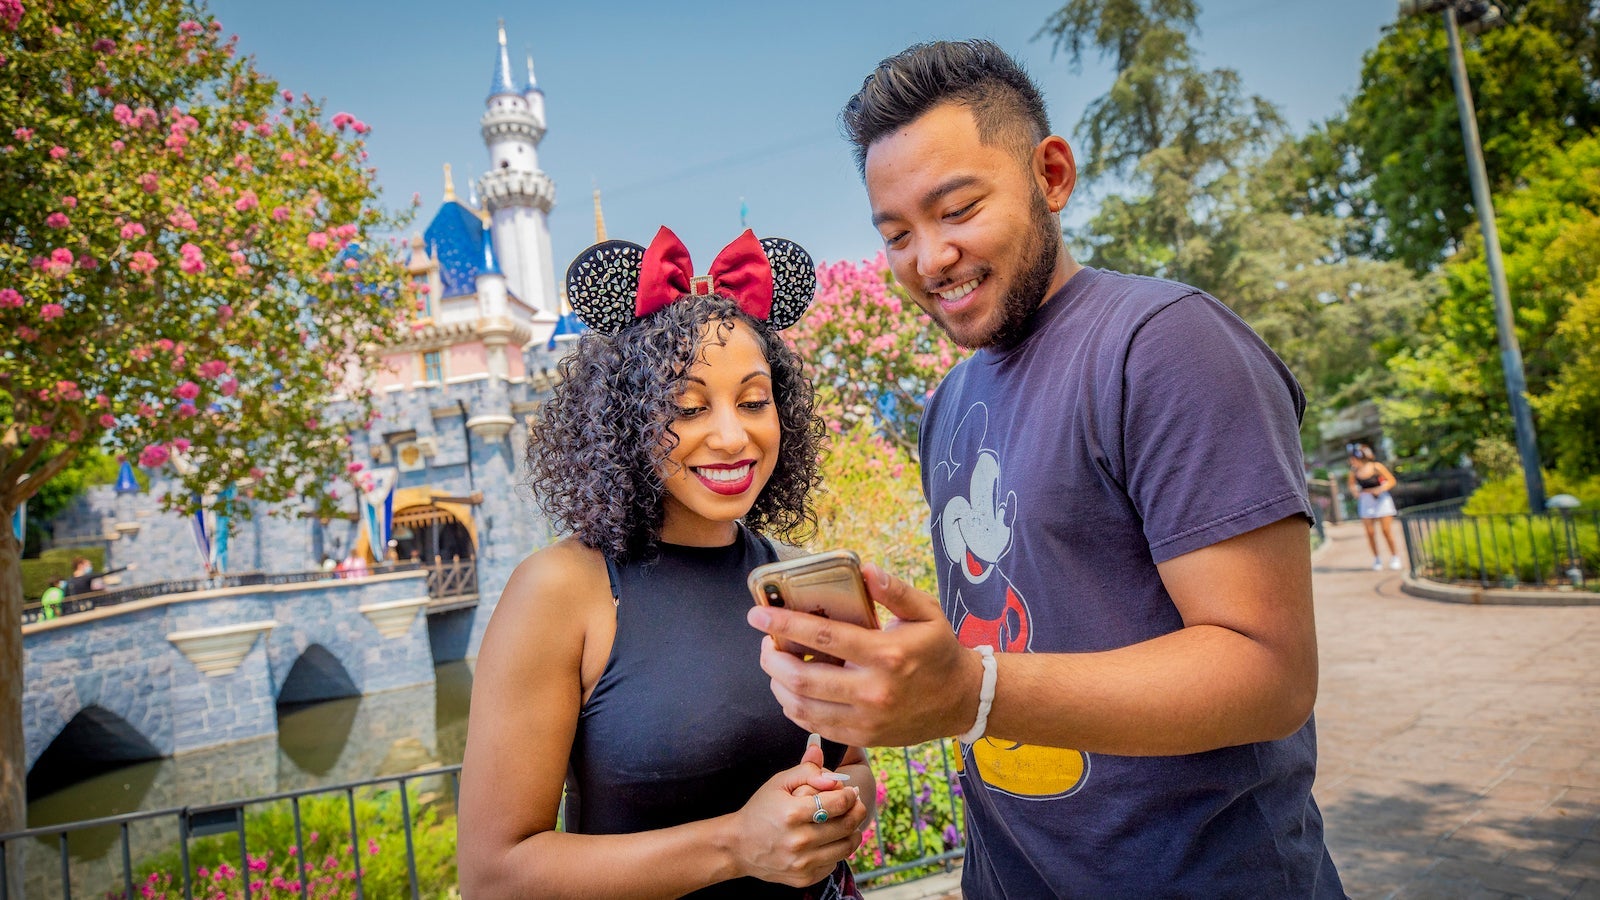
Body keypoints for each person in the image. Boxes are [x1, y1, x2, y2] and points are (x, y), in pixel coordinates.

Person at [746, 40, 1343, 897]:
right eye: (897, 234)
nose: (929, 258)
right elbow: (1012, 627)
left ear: (1051, 176)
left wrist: (969, 689)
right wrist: (901, 678)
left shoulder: (1167, 343)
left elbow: (1270, 672)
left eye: (957, 210)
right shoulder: (950, 402)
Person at [457, 227, 874, 899]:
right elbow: (495, 876)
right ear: (624, 422)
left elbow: (850, 763)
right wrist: (738, 844)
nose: (732, 436)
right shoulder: (563, 591)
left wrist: (835, 807)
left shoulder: (797, 577)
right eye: (687, 406)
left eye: (753, 401)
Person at [1347, 442, 1403, 570]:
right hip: (1366, 500)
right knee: (1370, 532)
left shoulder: (1376, 467)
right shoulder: (1354, 471)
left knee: (1386, 530)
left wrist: (1381, 489)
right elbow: (1351, 485)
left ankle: (1395, 556)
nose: (1351, 461)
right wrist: (1355, 491)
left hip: (1381, 500)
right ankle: (1377, 558)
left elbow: (1391, 481)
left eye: (1353, 458)